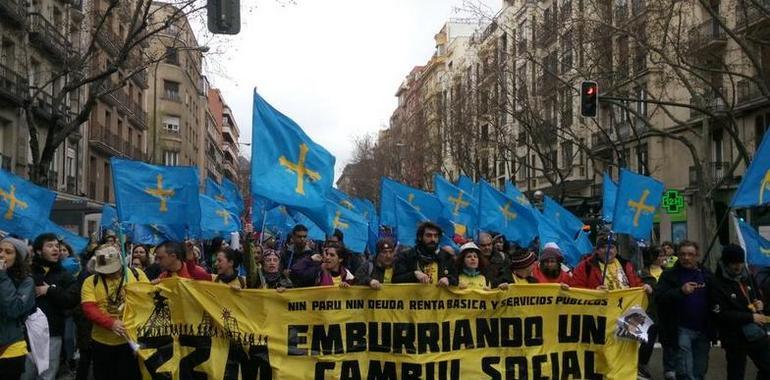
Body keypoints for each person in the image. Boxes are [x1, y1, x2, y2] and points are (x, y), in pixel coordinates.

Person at [81, 245, 148, 380]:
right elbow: (89, 308)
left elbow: (148, 301)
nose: (110, 273)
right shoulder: (90, 281)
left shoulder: (137, 274)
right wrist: (111, 323)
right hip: (102, 342)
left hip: (130, 341)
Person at [656, 240, 715, 380]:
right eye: (682, 254)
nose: (686, 258)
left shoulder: (707, 275)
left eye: (690, 254)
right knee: (684, 372)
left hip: (703, 331)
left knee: (699, 371)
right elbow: (659, 299)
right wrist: (680, 291)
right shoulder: (669, 275)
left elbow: (716, 300)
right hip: (681, 330)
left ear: (697, 255)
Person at [25, 233, 81, 380]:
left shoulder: (64, 274)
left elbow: (72, 299)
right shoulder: (26, 272)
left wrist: (50, 290)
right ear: (38, 251)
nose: (55, 249)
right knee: (25, 374)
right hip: (26, 334)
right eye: (50, 246)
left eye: (57, 246)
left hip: (52, 333)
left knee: (47, 376)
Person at [710, 244, 770, 380]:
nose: (738, 266)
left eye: (740, 262)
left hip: (756, 333)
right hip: (734, 337)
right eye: (734, 263)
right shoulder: (717, 283)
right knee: (736, 374)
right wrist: (750, 317)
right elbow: (720, 315)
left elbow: (757, 297)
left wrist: (761, 303)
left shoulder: (747, 276)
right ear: (726, 263)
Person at [0, 238, 36, 380]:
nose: (2, 255)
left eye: (8, 252)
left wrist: (2, 277)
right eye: (0, 250)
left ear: (18, 258)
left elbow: (13, 309)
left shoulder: (27, 281)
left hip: (10, 347)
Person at [569, 234, 649, 292]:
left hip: (625, 310)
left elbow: (636, 284)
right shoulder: (585, 266)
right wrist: (594, 292)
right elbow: (575, 290)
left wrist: (643, 287)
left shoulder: (626, 265)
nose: (607, 251)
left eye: (611, 247)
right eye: (603, 247)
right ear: (597, 250)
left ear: (616, 250)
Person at [392, 222, 457, 286]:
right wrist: (414, 274)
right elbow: (395, 279)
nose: (433, 239)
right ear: (420, 237)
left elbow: (456, 278)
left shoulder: (446, 257)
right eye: (429, 235)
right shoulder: (407, 256)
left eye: (436, 236)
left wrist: (449, 279)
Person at [638, 245, 665, 380]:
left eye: (663, 255)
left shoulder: (668, 272)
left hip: (666, 313)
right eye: (659, 255)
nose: (662, 258)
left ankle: (670, 369)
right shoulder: (643, 274)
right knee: (647, 343)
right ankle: (642, 366)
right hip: (650, 312)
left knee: (669, 343)